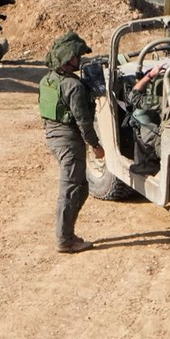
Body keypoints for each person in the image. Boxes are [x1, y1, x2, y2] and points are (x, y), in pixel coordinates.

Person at [38, 30, 104, 254]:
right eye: (77, 56)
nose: (80, 60)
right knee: (70, 189)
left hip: (54, 137)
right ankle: (65, 240)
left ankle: (68, 234)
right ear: (68, 59)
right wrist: (95, 146)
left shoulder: (47, 80)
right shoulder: (73, 87)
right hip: (68, 141)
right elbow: (83, 121)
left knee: (81, 188)